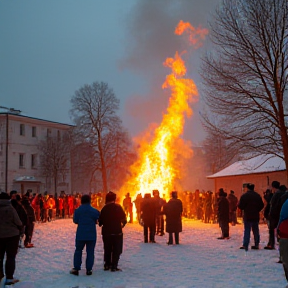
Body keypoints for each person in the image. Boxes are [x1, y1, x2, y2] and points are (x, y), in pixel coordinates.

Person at [70, 194, 100, 276]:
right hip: (91, 234)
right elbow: (98, 220)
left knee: (78, 250)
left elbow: (75, 221)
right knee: (90, 252)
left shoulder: (78, 210)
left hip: (81, 234)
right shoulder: (94, 211)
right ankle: (89, 269)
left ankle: (76, 268)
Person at [98, 191, 127, 271]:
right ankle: (114, 265)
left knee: (107, 248)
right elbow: (124, 219)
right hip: (117, 232)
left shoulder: (104, 209)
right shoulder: (118, 207)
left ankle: (107, 264)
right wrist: (122, 224)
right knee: (117, 249)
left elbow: (100, 222)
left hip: (106, 233)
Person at [0, 192, 23, 285]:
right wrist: (21, 229)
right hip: (12, 236)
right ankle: (9, 277)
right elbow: (18, 221)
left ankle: (0, 276)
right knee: (11, 257)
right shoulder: (10, 208)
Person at [238, 183, 264, 251]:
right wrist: (257, 210)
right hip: (255, 215)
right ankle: (256, 244)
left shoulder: (244, 196)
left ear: (247, 188)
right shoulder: (257, 196)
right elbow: (261, 205)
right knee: (255, 230)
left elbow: (240, 206)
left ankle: (245, 244)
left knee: (247, 230)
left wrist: (245, 208)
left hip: (247, 215)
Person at [266, 180, 285, 250]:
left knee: (272, 230)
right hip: (279, 214)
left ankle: (272, 244)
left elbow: (273, 205)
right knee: (279, 230)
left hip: (274, 215)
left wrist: (270, 214)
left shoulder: (276, 194)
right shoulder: (282, 194)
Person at [277, 197, 288, 284]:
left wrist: (278, 229)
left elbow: (282, 216)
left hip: (285, 234)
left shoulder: (286, 203)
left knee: (286, 259)